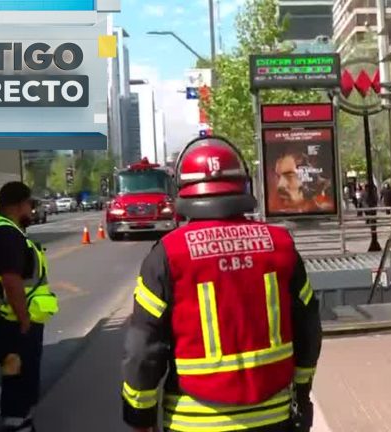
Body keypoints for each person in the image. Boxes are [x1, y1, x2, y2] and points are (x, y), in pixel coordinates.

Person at [121, 136, 323, 432]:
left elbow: (143, 347)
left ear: (184, 191)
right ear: (243, 184)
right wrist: (303, 390)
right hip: (274, 417)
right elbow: (308, 327)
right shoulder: (280, 244)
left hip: (194, 422)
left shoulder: (167, 254)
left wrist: (140, 415)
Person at [0, 182, 59, 432]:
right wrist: (24, 320)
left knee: (22, 380)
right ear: (17, 205)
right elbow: (11, 281)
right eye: (29, 204)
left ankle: (22, 423)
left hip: (13, 321)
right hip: (13, 323)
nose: (31, 210)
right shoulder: (6, 234)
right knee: (18, 381)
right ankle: (18, 426)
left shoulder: (8, 230)